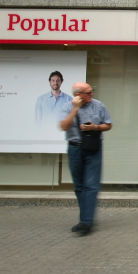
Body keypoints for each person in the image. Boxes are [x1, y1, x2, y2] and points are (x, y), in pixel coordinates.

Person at [58, 82, 112, 235]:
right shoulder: (67, 107)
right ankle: (85, 218)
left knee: (91, 185)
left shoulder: (98, 105)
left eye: (91, 91)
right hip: (75, 148)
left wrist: (95, 127)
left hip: (93, 148)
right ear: (78, 95)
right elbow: (64, 126)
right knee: (79, 186)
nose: (91, 94)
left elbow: (108, 125)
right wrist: (75, 109)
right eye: (88, 92)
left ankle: (86, 221)